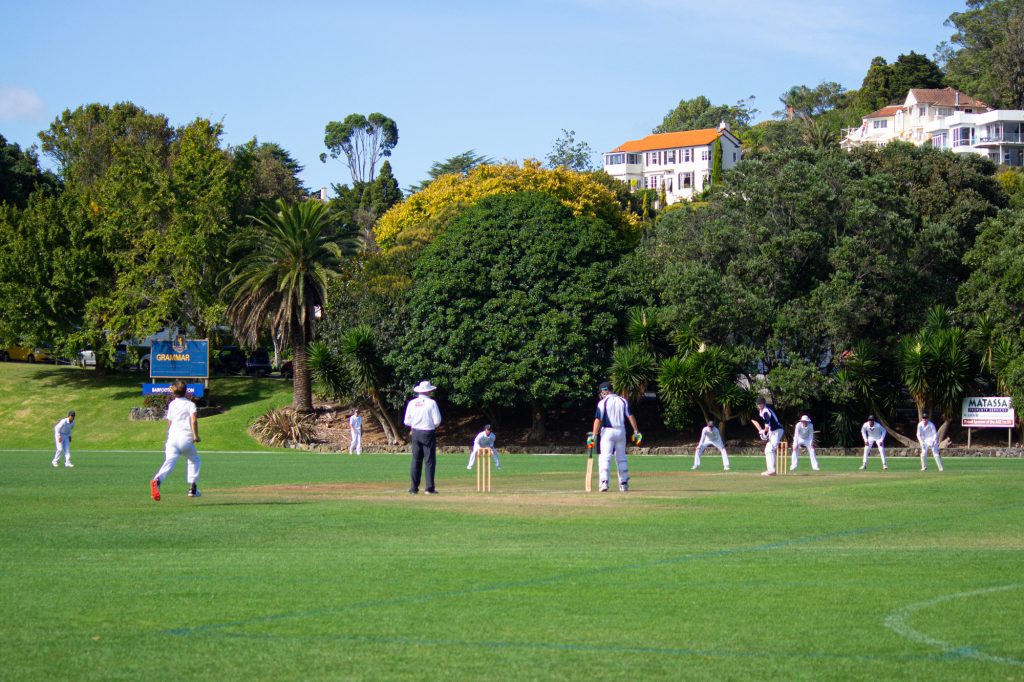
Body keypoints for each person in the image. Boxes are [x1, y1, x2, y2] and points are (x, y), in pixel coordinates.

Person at [150, 380, 201, 501]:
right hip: (185, 438)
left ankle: (157, 480)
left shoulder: (172, 404)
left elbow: (170, 422)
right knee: (194, 460)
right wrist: (196, 436)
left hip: (172, 438)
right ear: (186, 391)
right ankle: (192, 488)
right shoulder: (190, 404)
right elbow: (193, 420)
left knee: (169, 462)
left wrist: (170, 435)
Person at [591, 382, 641, 492]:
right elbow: (630, 416)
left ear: (604, 391)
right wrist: (636, 431)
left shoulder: (602, 402)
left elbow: (598, 420)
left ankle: (604, 482)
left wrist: (593, 435)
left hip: (607, 432)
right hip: (621, 431)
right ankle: (624, 483)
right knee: (621, 457)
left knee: (605, 457)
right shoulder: (622, 400)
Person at [404, 380, 442, 495]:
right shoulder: (431, 403)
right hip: (428, 432)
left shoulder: (412, 403)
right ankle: (429, 488)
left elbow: (406, 421)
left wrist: (416, 424)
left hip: (415, 432)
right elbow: (437, 421)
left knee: (416, 460)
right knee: (429, 460)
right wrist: (429, 425)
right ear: (428, 391)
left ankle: (413, 488)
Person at [753, 396, 784, 476]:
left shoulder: (766, 411)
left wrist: (765, 432)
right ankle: (771, 470)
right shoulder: (762, 411)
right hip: (773, 431)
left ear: (764, 403)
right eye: (758, 404)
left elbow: (767, 422)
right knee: (768, 449)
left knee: (771, 449)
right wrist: (764, 432)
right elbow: (768, 425)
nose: (759, 405)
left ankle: (772, 470)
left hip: (777, 430)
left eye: (761, 404)